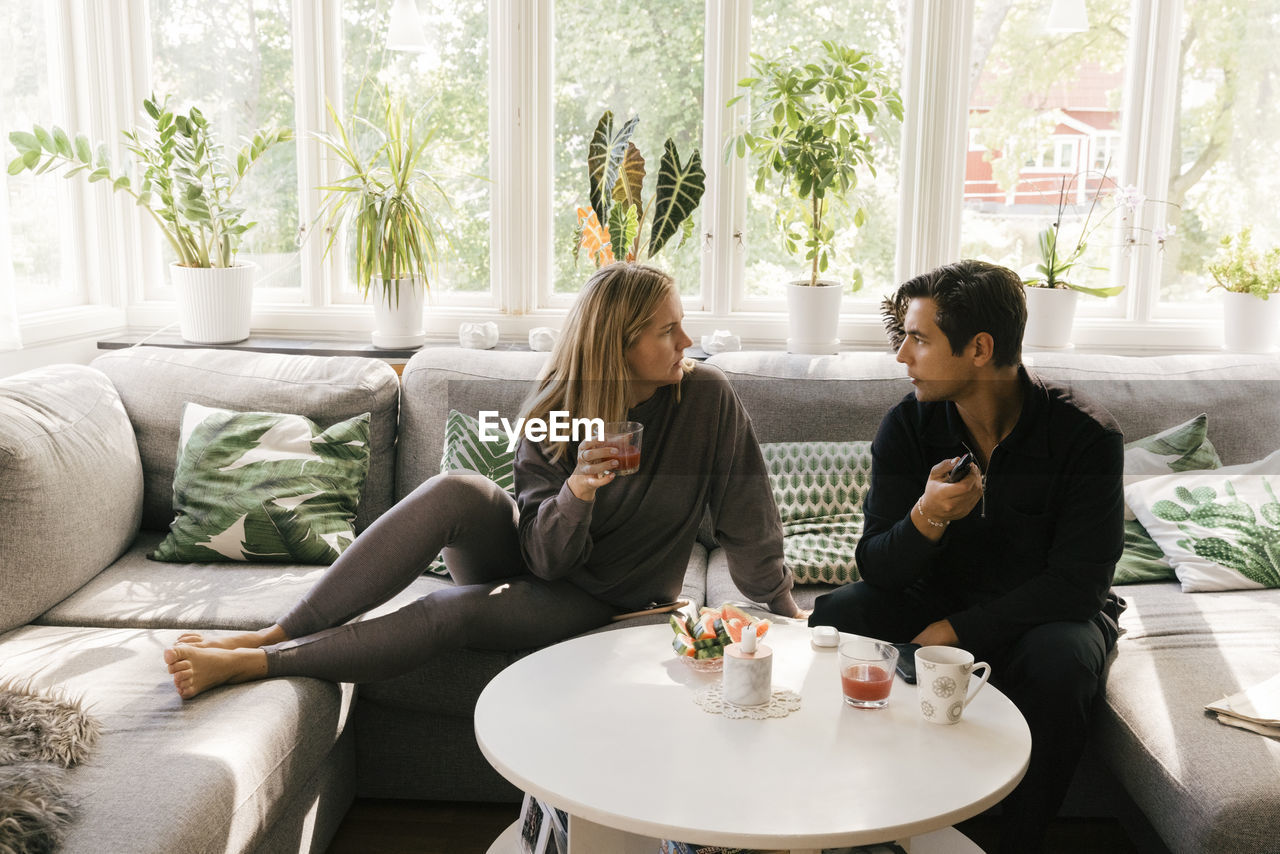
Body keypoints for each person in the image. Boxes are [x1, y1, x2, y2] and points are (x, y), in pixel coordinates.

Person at [165, 262, 803, 699]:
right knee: (458, 489)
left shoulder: (706, 399)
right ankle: (275, 631)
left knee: (453, 609)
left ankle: (258, 662)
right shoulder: (553, 415)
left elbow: (749, 513)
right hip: (547, 560)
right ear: (619, 346)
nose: (686, 341)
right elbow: (544, 556)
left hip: (603, 600)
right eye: (668, 330)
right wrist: (578, 490)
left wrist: (782, 606)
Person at [808, 260, 1125, 854]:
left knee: (1061, 661)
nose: (902, 356)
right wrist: (927, 516)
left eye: (919, 339)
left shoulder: (1086, 437)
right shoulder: (908, 424)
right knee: (839, 616)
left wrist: (955, 631)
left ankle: (1015, 842)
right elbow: (876, 565)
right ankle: (841, 818)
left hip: (1044, 615)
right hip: (931, 595)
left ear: (980, 348)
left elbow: (1078, 585)